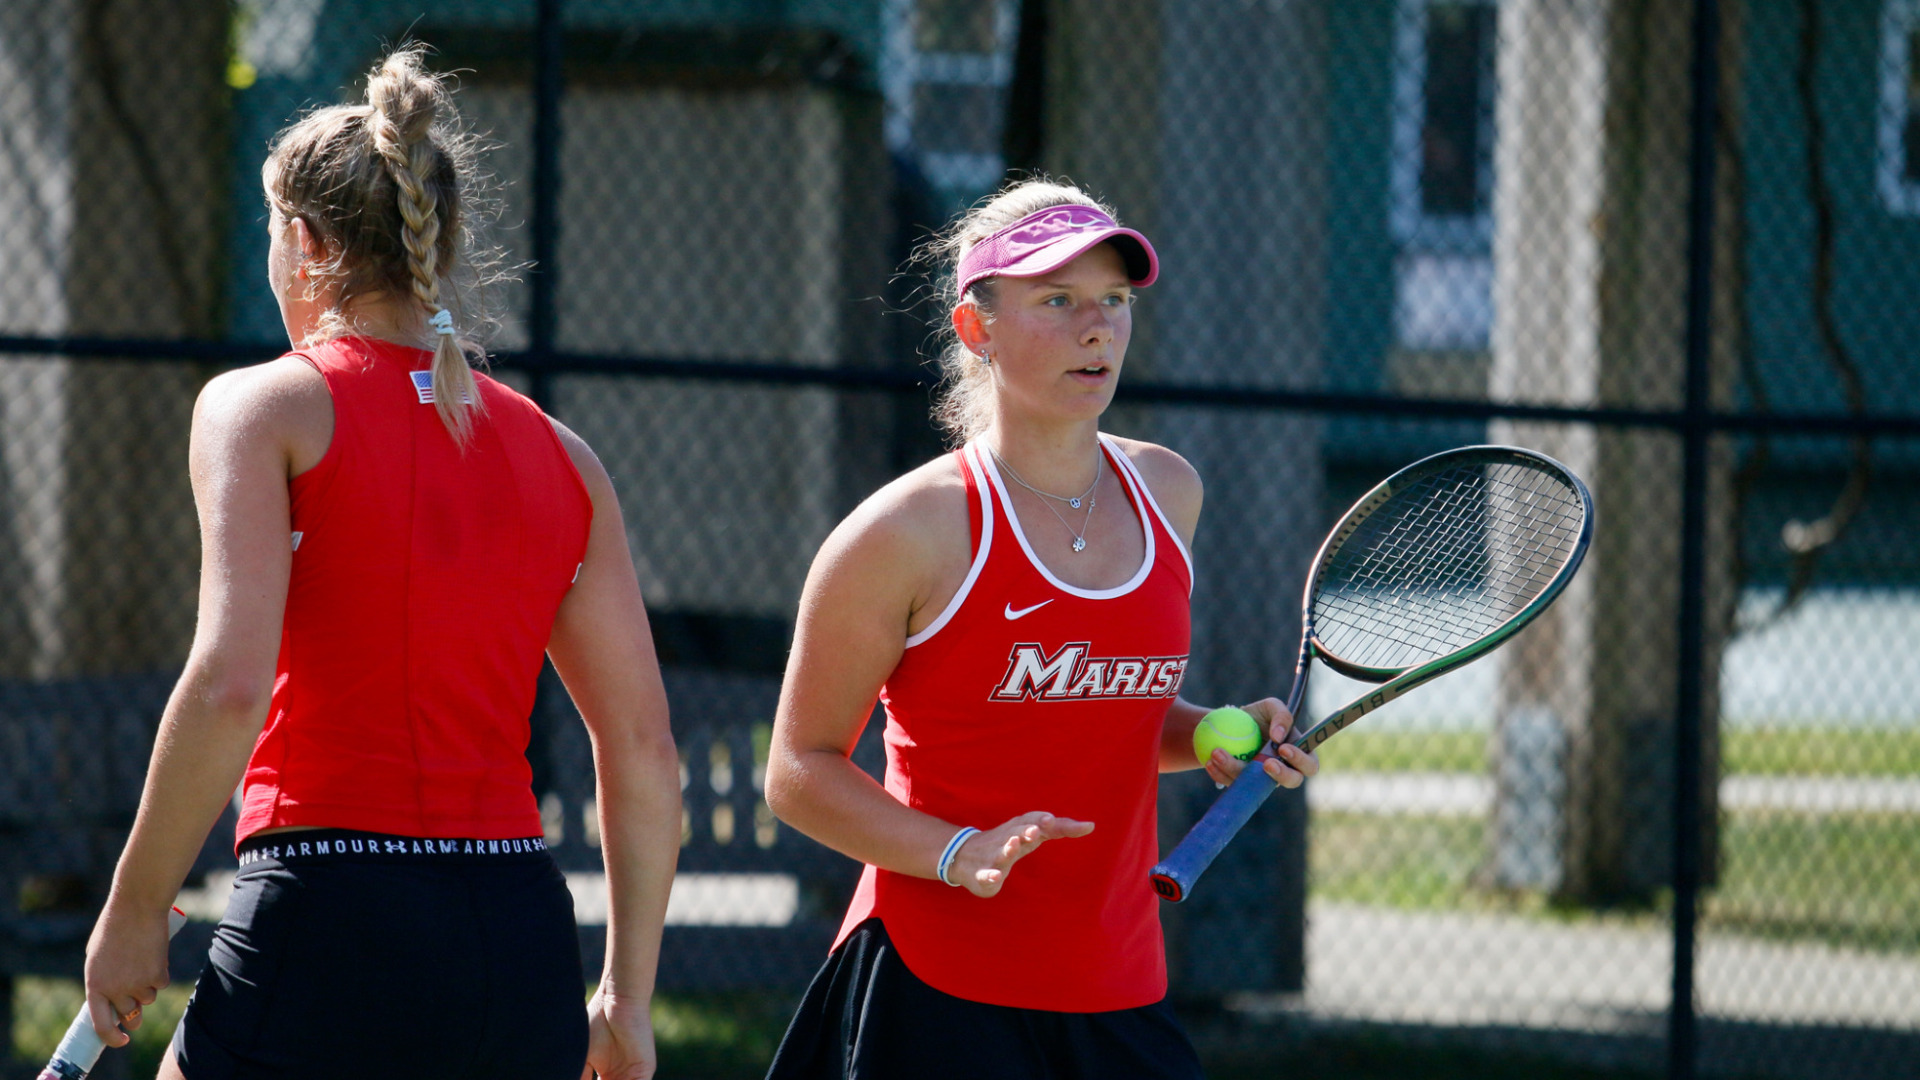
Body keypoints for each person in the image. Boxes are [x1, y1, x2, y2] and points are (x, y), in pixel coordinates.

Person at [78, 48, 680, 1080]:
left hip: (327, 909)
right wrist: (624, 998)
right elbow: (642, 752)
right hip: (518, 938)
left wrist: (135, 910)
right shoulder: (564, 455)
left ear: (303, 243)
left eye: (273, 234)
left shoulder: (263, 406)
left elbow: (229, 688)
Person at [761, 179, 1320, 1079]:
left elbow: (1097, 707)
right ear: (976, 330)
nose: (1096, 328)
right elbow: (799, 771)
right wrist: (954, 852)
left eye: (1113, 301)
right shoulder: (906, 532)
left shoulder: (1169, 493)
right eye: (1056, 301)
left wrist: (1228, 732)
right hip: (937, 985)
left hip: (1119, 982)